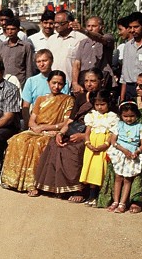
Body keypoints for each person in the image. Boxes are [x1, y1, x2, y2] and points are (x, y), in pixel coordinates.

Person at [97, 71, 142, 212]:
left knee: (140, 158)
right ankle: (113, 198)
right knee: (115, 157)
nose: (137, 89)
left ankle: (136, 199)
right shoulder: (132, 102)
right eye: (136, 85)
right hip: (125, 142)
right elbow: (120, 125)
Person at [33, 69, 104, 202]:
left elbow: (108, 124)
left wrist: (84, 136)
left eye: (93, 81)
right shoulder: (81, 98)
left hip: (94, 135)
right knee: (56, 143)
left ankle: (78, 189)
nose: (89, 84)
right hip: (74, 130)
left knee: (74, 148)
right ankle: (56, 187)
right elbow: (71, 120)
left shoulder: (105, 98)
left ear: (101, 82)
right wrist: (60, 133)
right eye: (86, 81)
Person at [1, 70, 74, 194]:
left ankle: (33, 184)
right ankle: (13, 180)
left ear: (64, 85)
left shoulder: (68, 100)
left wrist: (45, 128)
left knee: (37, 144)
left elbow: (65, 123)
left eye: (60, 84)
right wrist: (35, 127)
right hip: (37, 130)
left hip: (53, 132)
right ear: (48, 83)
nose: (56, 86)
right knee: (17, 139)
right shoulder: (41, 99)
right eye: (54, 83)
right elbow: (32, 120)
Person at [104, 102, 142, 213]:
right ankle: (115, 201)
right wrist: (123, 150)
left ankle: (122, 203)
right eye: (125, 116)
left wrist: (137, 152)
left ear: (136, 115)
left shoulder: (139, 127)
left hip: (132, 155)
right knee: (118, 178)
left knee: (127, 179)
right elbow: (113, 141)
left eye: (132, 116)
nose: (129, 119)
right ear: (121, 115)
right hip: (120, 153)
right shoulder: (119, 125)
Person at [76, 90, 118, 205]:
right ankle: (91, 195)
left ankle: (101, 195)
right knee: (90, 169)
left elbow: (111, 133)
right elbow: (88, 132)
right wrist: (88, 143)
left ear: (108, 103)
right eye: (97, 105)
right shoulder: (91, 116)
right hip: (91, 146)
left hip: (103, 147)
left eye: (102, 104)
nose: (99, 107)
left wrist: (105, 145)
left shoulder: (112, 117)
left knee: (100, 169)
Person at [46, 10, 85, 93]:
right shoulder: (51, 40)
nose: (56, 25)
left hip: (72, 87)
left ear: (69, 24)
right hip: (53, 87)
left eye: (60, 23)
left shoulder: (81, 39)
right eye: (55, 22)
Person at [0, 16, 34, 87]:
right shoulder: (1, 46)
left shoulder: (26, 46)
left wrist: (28, 85)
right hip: (4, 82)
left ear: (18, 30)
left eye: (13, 29)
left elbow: (29, 68)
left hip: (20, 83)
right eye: (7, 29)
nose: (10, 32)